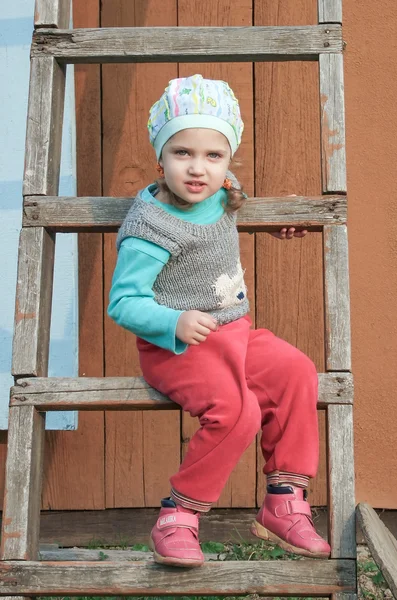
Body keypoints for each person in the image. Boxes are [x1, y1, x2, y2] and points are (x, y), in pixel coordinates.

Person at [108, 74, 330, 568]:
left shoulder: (221, 188)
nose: (197, 169)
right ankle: (179, 516)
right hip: (177, 348)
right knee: (238, 411)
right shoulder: (150, 228)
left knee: (296, 370)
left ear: (228, 159)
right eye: (181, 152)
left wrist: (282, 224)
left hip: (235, 334)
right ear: (159, 156)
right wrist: (174, 321)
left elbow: (232, 200)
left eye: (213, 155)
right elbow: (123, 303)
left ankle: (284, 500)